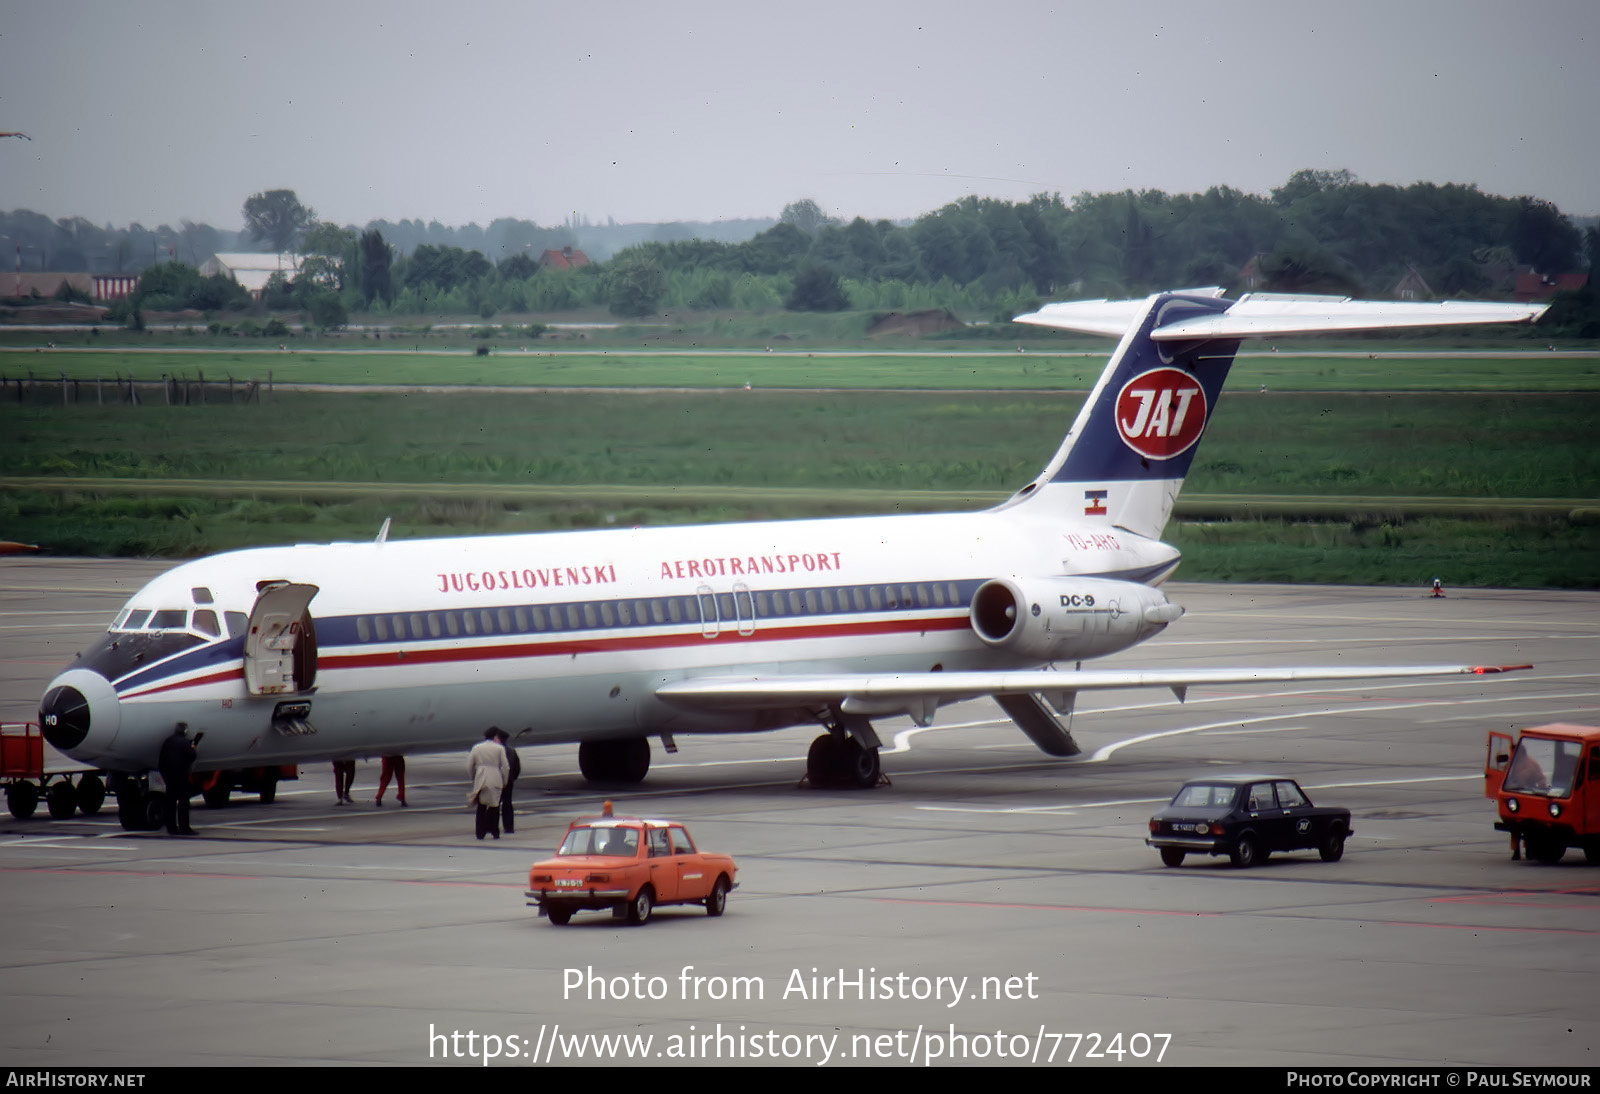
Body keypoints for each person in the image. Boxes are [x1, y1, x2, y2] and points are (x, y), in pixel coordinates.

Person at [467, 728, 509, 840]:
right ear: (494, 736)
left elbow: (470, 765)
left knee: (481, 806)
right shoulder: (499, 748)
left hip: (481, 777)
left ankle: (480, 832)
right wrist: (505, 780)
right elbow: (505, 767)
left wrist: (473, 778)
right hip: (494, 776)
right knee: (494, 806)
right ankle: (494, 831)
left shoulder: (477, 748)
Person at [158, 723, 198, 836]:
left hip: (169, 776)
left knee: (170, 801)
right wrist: (193, 749)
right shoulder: (185, 743)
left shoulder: (168, 741)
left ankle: (171, 827)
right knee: (183, 801)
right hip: (181, 775)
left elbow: (161, 761)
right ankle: (184, 827)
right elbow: (192, 757)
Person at [497, 730, 521, 834]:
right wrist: (512, 778)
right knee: (507, 804)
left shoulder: (497, 751)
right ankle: (509, 827)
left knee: (494, 804)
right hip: (508, 781)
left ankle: (492, 826)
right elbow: (517, 767)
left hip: (497, 780)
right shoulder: (511, 751)